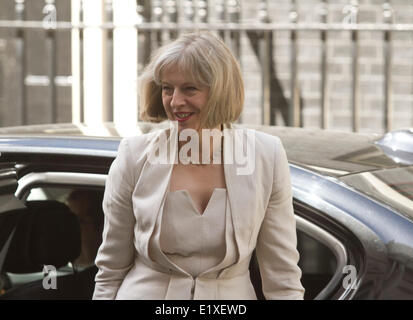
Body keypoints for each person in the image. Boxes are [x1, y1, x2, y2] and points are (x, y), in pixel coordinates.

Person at [93, 31, 305, 300]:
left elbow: (282, 275)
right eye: (167, 88)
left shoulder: (266, 155)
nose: (175, 102)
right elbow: (111, 267)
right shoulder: (134, 155)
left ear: (219, 91)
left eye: (190, 88)